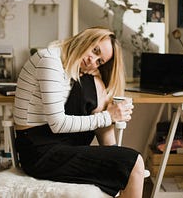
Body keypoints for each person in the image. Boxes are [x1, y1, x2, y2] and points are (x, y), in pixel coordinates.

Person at [13, 27, 145, 197]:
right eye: (95, 50)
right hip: (39, 151)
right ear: (86, 38)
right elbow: (58, 124)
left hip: (56, 144)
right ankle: (119, 162)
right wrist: (109, 116)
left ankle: (114, 154)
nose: (92, 61)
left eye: (99, 61)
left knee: (94, 84)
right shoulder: (50, 60)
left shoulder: (69, 67)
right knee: (134, 162)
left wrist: (112, 152)